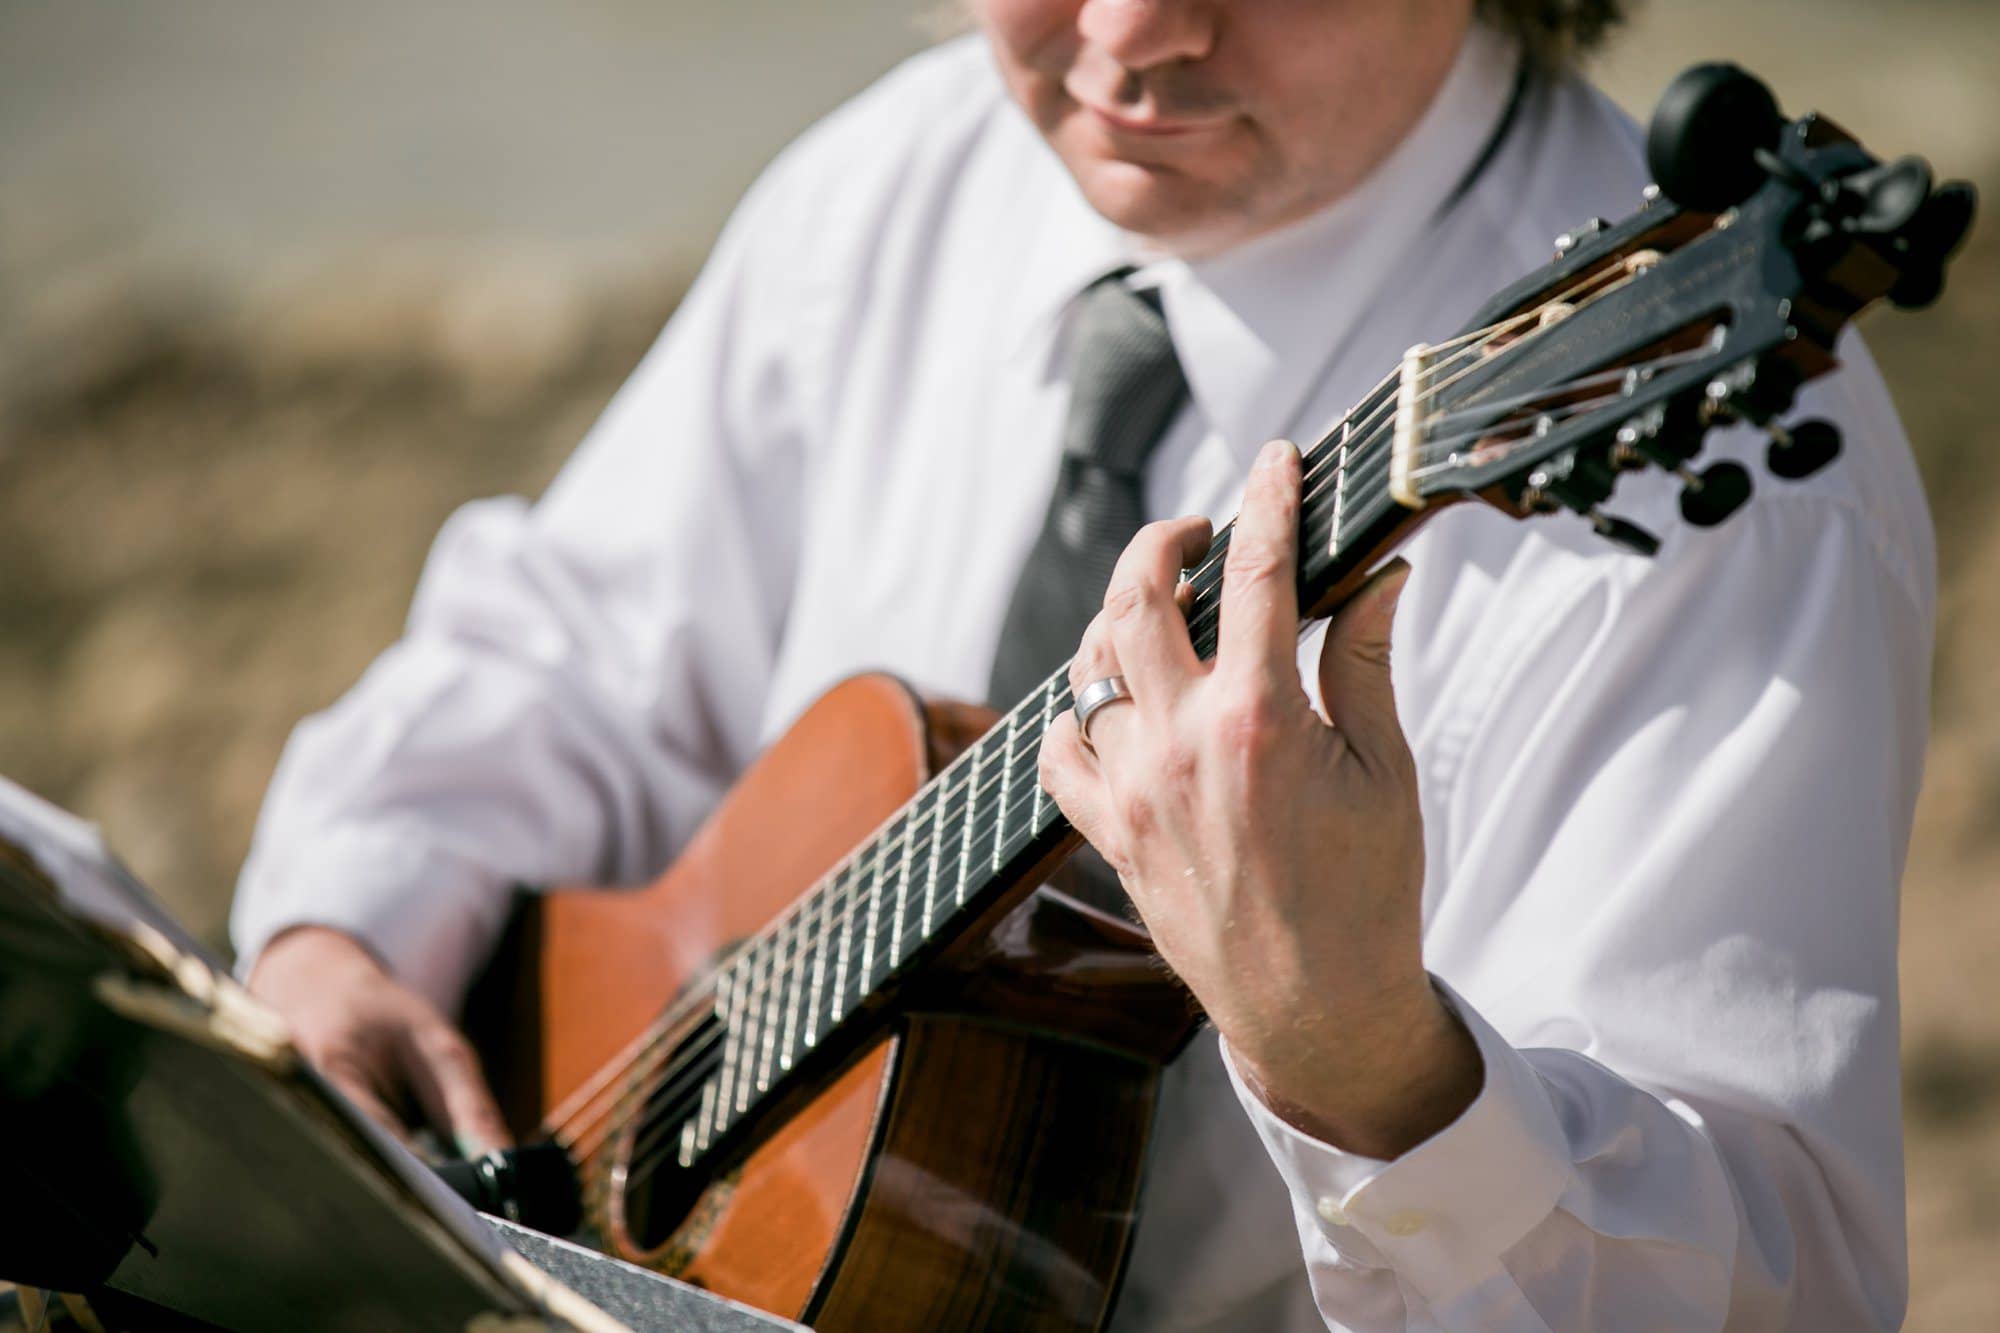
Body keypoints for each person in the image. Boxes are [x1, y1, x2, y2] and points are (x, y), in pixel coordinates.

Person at [233, 1, 1932, 1328]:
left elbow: (1763, 1299)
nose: (1130, 39)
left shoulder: (1730, 513)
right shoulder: (906, 180)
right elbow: (563, 640)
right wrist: (350, 924)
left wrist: (1370, 1067)